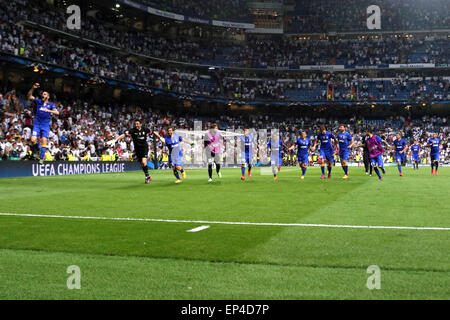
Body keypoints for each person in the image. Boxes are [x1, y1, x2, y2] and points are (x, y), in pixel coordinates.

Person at [108, 119, 152, 184]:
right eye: (135, 124)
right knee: (142, 164)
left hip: (144, 148)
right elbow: (124, 135)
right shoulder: (132, 130)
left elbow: (153, 132)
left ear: (140, 124)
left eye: (137, 124)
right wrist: (115, 139)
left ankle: (147, 177)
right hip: (137, 149)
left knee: (144, 161)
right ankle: (147, 176)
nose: (136, 125)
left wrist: (160, 137)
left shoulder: (145, 129)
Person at [27, 83, 59, 164]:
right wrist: (33, 88)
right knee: (33, 140)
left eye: (45, 94)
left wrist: (49, 111)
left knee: (44, 141)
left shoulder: (50, 104)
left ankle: (41, 158)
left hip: (45, 125)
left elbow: (57, 112)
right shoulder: (38, 101)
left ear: (48, 97)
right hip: (37, 124)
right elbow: (29, 96)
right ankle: (37, 150)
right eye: (42, 94)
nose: (43, 95)